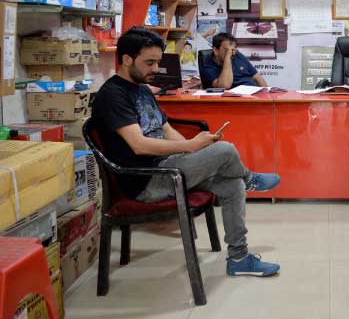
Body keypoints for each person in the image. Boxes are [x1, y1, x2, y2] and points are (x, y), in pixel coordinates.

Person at [91, 27, 281, 277]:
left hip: (169, 167)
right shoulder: (113, 95)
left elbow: (167, 129)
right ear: (126, 60)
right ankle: (250, 179)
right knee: (225, 150)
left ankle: (238, 258)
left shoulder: (142, 90)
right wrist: (191, 146)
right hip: (147, 180)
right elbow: (139, 145)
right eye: (149, 62)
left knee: (232, 185)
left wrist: (191, 155)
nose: (156, 69)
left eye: (158, 62)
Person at [200, 33, 268, 89]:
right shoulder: (208, 67)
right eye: (227, 50)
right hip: (237, 101)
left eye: (233, 50)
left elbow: (256, 76)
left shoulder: (237, 55)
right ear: (216, 51)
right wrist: (227, 58)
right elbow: (225, 86)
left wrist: (267, 95)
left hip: (254, 94)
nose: (232, 53)